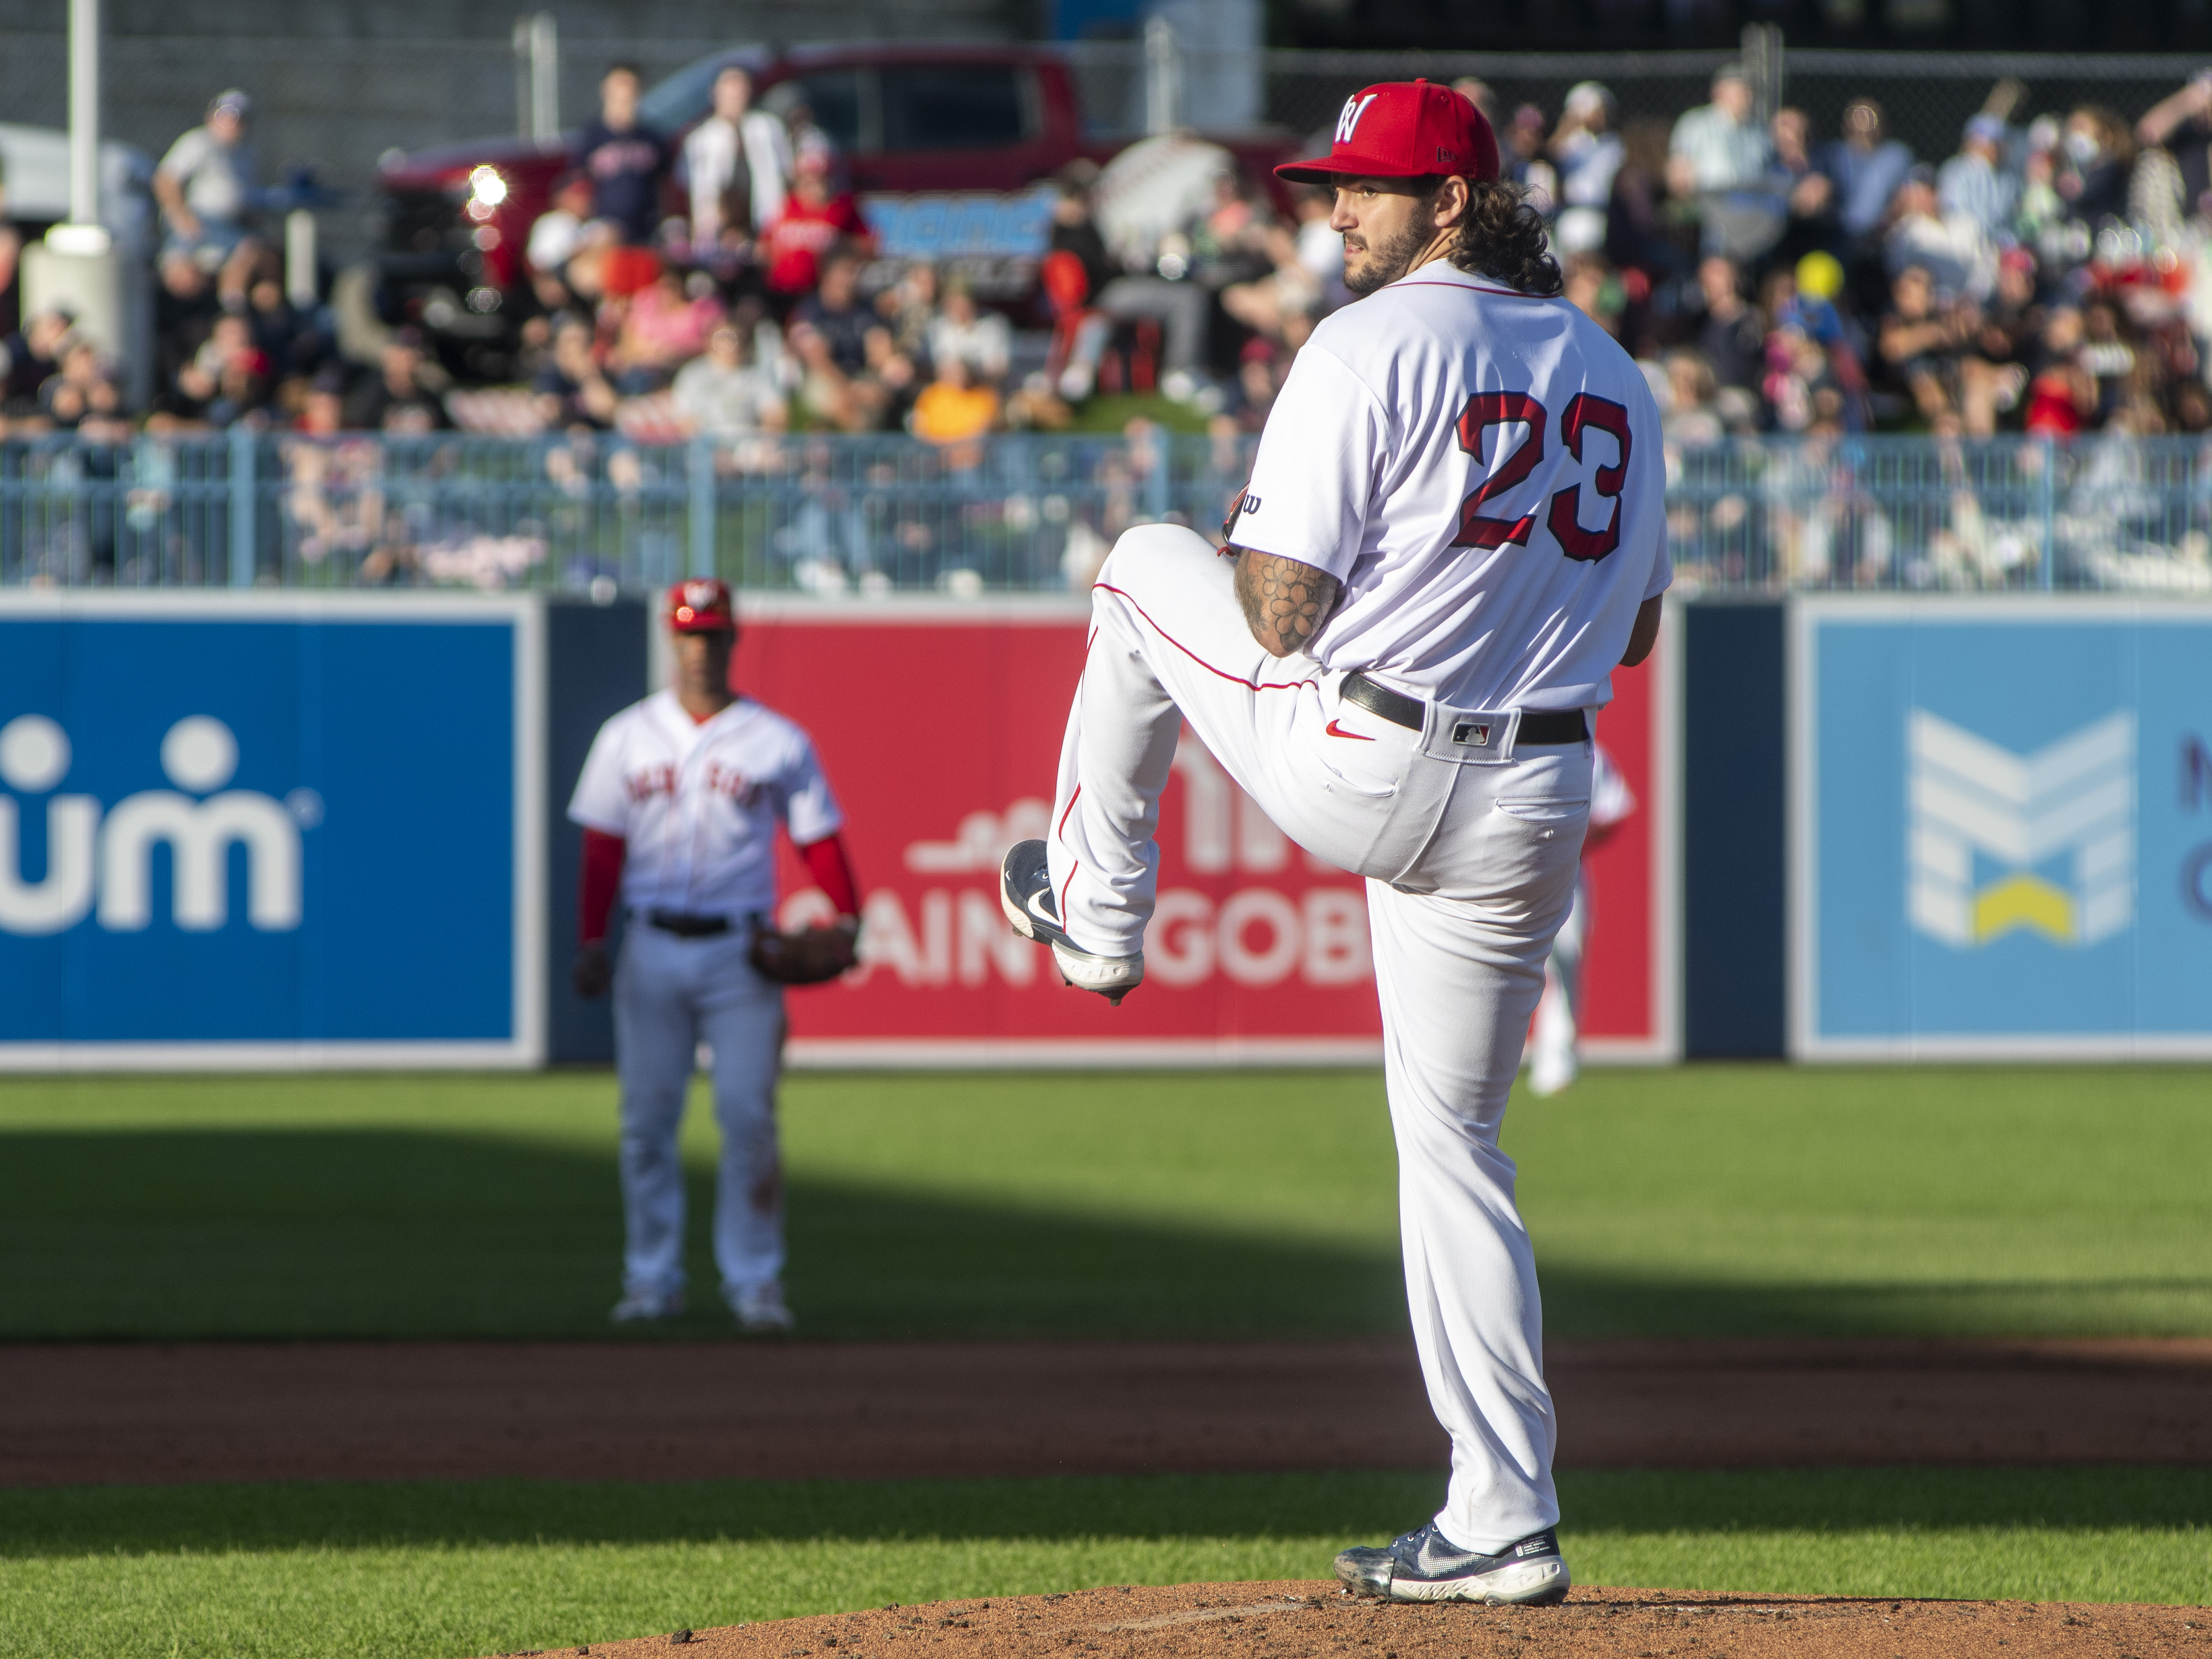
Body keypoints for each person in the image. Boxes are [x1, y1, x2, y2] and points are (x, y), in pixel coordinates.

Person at [996, 80, 1666, 1605]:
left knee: (1140, 571)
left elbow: (1282, 610)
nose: (1338, 209)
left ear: (1451, 204)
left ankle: (1096, 914)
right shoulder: (1618, 373)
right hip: (1536, 795)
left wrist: (1367, 587)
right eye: (1333, 186)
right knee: (1458, 1153)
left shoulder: (1367, 343)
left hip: (1375, 754)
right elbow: (1631, 633)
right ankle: (1503, 1517)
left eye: (1369, 187)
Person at [568, 578, 861, 1334]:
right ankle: (651, 1278)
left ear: (733, 640)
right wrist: (593, 939)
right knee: (645, 1124)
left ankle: (754, 1280)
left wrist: (850, 916)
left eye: (713, 634)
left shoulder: (776, 738)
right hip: (651, 945)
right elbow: (602, 852)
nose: (700, 647)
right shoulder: (625, 735)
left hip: (741, 953)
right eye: (689, 633)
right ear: (672, 638)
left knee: (748, 1119)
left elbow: (817, 838)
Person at [1527, 744, 1634, 1097]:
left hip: (1565, 871)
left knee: (1563, 962)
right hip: (1502, 866)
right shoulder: (1501, 742)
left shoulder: (1586, 750)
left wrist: (1572, 843)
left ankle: (1556, 1061)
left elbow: (1614, 810)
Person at [155, 91, 261, 290]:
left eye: (236, 119)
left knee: (263, 260)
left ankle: (231, 307)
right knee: (246, 249)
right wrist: (182, 218)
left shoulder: (243, 152)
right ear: (212, 118)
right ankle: (231, 307)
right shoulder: (198, 143)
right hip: (201, 222)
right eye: (225, 117)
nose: (231, 124)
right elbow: (165, 180)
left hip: (228, 224)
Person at [684, 65, 793, 253]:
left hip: (765, 228)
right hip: (716, 235)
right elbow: (688, 188)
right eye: (729, 93)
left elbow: (787, 174)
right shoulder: (699, 139)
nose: (735, 99)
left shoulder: (767, 128)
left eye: (740, 92)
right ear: (715, 94)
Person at [574, 65, 670, 246]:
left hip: (646, 228)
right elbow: (576, 185)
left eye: (630, 86)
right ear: (606, 90)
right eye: (619, 85)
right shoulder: (592, 136)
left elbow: (665, 187)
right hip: (603, 229)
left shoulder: (651, 138)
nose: (624, 94)